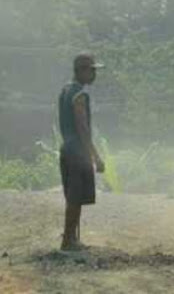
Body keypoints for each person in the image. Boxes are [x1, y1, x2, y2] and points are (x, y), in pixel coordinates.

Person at [58, 54, 105, 251]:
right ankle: (68, 241)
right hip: (77, 151)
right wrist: (96, 157)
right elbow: (83, 128)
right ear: (81, 71)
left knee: (73, 197)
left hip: (67, 148)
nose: (94, 74)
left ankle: (71, 239)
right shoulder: (79, 95)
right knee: (76, 197)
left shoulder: (65, 90)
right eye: (92, 70)